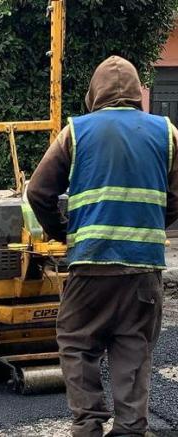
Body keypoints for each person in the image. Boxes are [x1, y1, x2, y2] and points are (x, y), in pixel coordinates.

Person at [27, 56, 178, 437]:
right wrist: (151, 225)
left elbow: (38, 191)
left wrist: (62, 232)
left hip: (90, 266)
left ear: (94, 94)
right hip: (143, 271)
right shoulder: (167, 133)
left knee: (77, 343)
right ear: (136, 93)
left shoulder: (75, 132)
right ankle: (129, 429)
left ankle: (89, 423)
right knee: (133, 350)